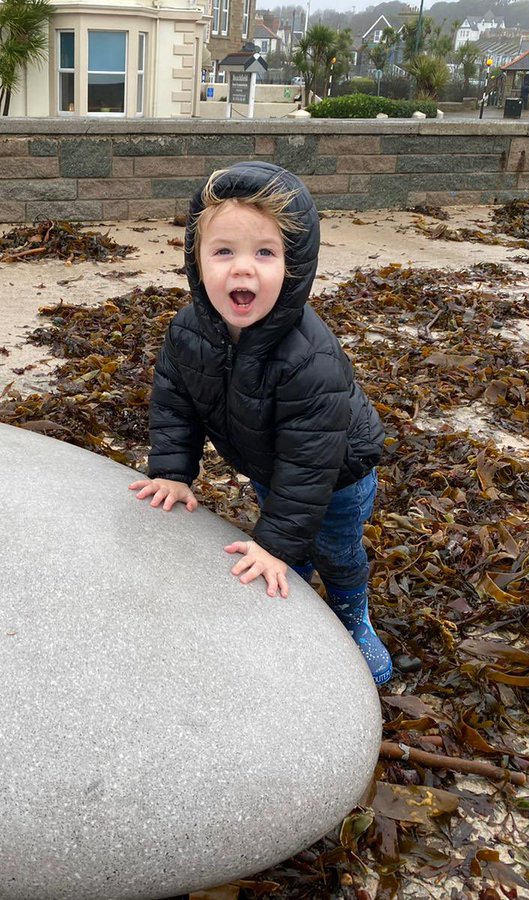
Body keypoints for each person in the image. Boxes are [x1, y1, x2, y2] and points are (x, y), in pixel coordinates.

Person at [127, 162, 391, 685]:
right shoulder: (188, 332)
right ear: (195, 259)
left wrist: (274, 543)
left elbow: (310, 463)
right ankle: (295, 580)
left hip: (339, 475)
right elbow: (174, 402)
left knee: (336, 551)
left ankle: (351, 616)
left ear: (293, 265)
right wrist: (174, 471)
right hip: (270, 468)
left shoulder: (308, 357)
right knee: (285, 537)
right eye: (223, 251)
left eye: (264, 252)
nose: (242, 269)